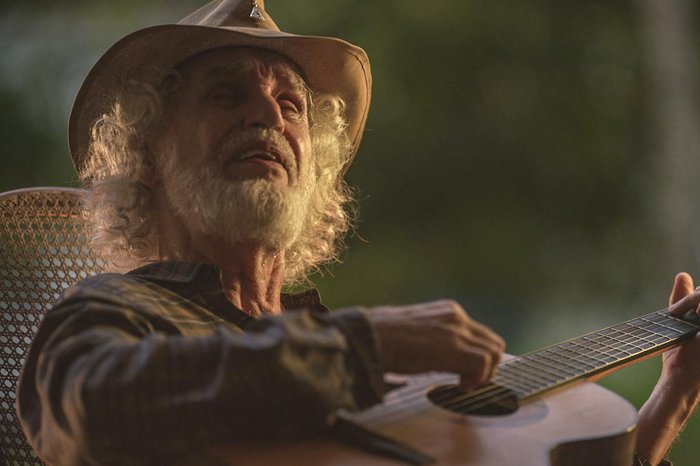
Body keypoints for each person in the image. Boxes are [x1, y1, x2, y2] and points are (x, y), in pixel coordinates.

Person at [14, 1, 700, 465]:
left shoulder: (345, 359)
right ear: (147, 156)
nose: (268, 119)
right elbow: (92, 409)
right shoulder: (111, 312)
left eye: (291, 106)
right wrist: (360, 346)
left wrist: (651, 433)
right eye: (227, 95)